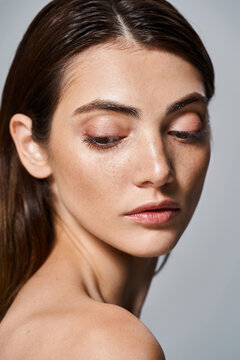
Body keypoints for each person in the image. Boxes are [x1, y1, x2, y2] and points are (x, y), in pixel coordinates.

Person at [0, 0, 214, 358]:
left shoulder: (26, 322)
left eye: (184, 129)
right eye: (107, 136)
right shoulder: (107, 343)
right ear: (31, 146)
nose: (159, 169)